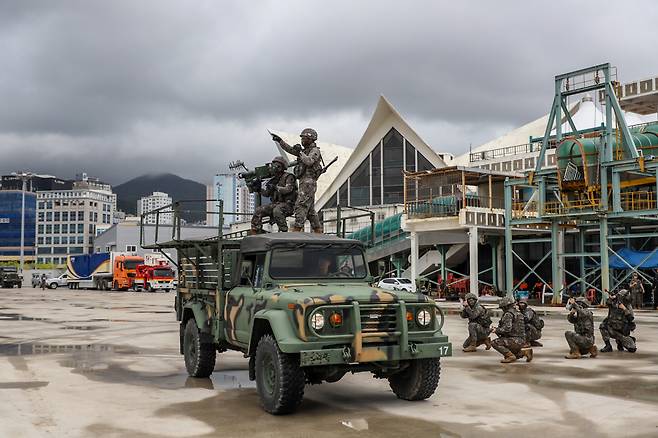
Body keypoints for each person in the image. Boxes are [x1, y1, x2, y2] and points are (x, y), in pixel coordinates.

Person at [271, 128, 323, 233]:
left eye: (304, 138)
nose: (302, 140)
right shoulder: (304, 151)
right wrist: (280, 141)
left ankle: (297, 229)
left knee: (301, 205)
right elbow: (290, 149)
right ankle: (318, 230)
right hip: (304, 181)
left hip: (309, 182)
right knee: (310, 211)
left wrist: (300, 152)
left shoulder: (315, 151)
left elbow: (309, 161)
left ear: (311, 139)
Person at [250, 156, 297, 234]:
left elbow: (288, 189)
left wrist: (276, 187)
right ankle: (255, 231)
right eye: (274, 165)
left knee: (277, 211)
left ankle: (283, 231)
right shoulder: (273, 179)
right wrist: (258, 189)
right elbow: (267, 194)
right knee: (259, 210)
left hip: (289, 205)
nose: (275, 167)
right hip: (276, 204)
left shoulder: (289, 177)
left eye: (278, 165)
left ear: (282, 167)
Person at [491, 296, 533, 363]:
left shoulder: (509, 314)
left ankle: (510, 356)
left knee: (495, 343)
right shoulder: (518, 313)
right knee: (505, 342)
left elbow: (507, 329)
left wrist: (496, 330)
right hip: (521, 340)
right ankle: (525, 352)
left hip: (515, 340)